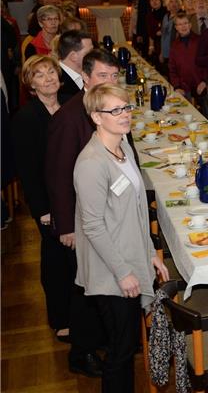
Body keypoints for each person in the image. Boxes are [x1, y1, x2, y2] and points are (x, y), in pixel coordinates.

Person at [74, 83, 168, 392]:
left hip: (130, 257)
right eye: (115, 110)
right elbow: (93, 226)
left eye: (126, 107)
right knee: (120, 350)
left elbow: (138, 209)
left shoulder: (123, 146)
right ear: (96, 117)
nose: (125, 114)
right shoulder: (91, 163)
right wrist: (123, 271)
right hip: (110, 269)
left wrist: (150, 250)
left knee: (127, 347)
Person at [46, 49, 122, 378]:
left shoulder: (107, 109)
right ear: (86, 78)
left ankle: (103, 339)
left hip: (105, 215)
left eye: (114, 76)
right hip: (82, 220)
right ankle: (82, 351)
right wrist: (65, 226)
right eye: (102, 76)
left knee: (99, 284)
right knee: (85, 287)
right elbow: (58, 175)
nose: (110, 82)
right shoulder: (70, 116)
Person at [12, 55, 71, 343]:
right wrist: (43, 210)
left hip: (77, 195)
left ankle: (80, 312)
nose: (48, 78)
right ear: (30, 83)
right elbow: (28, 170)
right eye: (40, 75)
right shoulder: (26, 118)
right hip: (48, 201)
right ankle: (60, 317)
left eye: (51, 72)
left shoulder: (72, 106)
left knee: (75, 258)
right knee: (55, 259)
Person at [168, 12, 203, 99]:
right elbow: (172, 69)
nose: (183, 26)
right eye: (179, 24)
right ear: (176, 27)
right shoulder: (174, 45)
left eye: (185, 23)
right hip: (183, 87)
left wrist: (204, 81)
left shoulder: (200, 41)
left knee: (204, 111)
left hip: (200, 85)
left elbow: (206, 63)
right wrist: (177, 86)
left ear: (190, 25)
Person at [57, 30, 93, 99]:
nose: (94, 55)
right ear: (73, 56)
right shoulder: (57, 81)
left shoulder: (88, 72)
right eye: (89, 52)